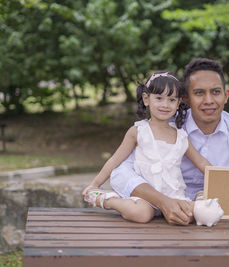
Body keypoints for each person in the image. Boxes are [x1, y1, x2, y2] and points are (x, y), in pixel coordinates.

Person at [106, 58, 229, 225]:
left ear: (226, 95)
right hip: (153, 214)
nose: (209, 101)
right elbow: (120, 173)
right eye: (199, 93)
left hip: (206, 220)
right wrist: (162, 201)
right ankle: (103, 200)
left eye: (215, 92)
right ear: (185, 98)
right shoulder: (160, 124)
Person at [82, 71, 212, 223]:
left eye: (171, 100)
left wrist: (221, 180)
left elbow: (202, 162)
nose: (165, 104)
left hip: (172, 194)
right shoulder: (138, 131)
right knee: (142, 214)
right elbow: (115, 160)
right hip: (144, 197)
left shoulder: (181, 136)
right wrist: (95, 184)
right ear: (146, 99)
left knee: (194, 214)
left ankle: (200, 196)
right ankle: (105, 199)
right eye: (159, 98)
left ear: (178, 104)